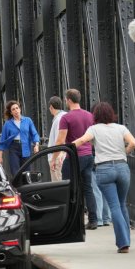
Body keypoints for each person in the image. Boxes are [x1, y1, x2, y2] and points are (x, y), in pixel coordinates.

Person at [73, 102, 135, 253]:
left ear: (96, 115)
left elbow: (82, 141)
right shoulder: (121, 128)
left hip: (104, 169)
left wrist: (66, 148)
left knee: (114, 206)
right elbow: (133, 143)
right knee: (122, 205)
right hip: (122, 167)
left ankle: (123, 244)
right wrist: (124, 153)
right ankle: (126, 240)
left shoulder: (93, 129)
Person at [51, 89, 98, 230]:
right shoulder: (90, 116)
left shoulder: (66, 118)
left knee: (69, 188)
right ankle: (93, 220)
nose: (65, 102)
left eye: (65, 99)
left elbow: (60, 141)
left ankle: (72, 220)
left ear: (69, 100)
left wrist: (53, 159)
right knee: (88, 188)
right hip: (89, 156)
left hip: (73, 157)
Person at [0, 100, 40, 176]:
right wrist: (0, 157)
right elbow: (3, 140)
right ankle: (17, 187)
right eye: (13, 109)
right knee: (15, 172)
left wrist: (36, 145)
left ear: (20, 109)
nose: (16, 110)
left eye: (17, 108)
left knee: (26, 172)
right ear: (11, 112)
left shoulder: (28, 120)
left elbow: (34, 134)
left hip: (25, 147)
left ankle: (26, 187)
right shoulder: (8, 124)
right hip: (14, 148)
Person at [47, 96, 67, 181]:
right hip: (64, 154)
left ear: (51, 107)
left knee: (57, 183)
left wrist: (53, 159)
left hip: (58, 156)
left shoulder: (59, 119)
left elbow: (60, 140)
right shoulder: (66, 116)